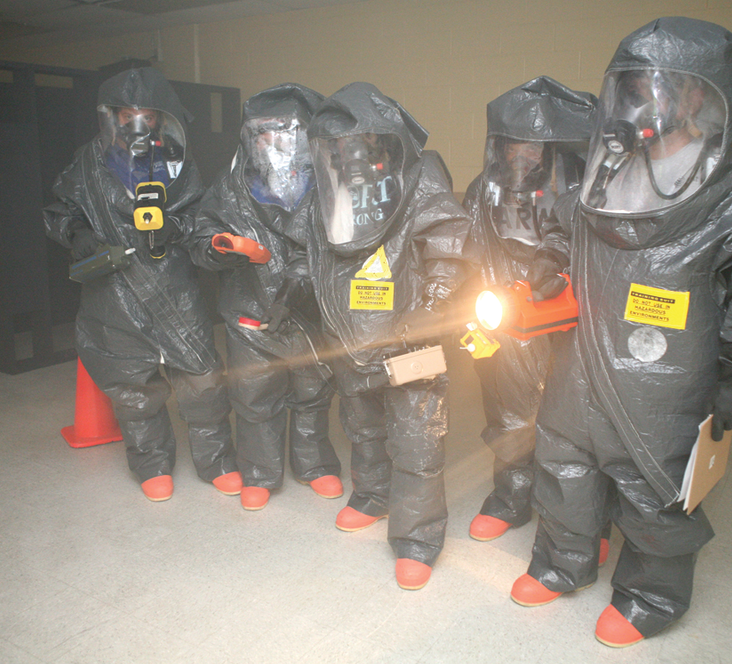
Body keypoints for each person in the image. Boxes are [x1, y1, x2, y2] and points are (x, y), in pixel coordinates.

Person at [509, 18, 732, 647]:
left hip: (669, 370)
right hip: (585, 354)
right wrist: (545, 265)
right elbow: (567, 226)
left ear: (702, 96)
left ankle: (652, 594)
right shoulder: (609, 167)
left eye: (655, 88)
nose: (637, 104)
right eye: (630, 88)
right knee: (563, 454)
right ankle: (565, 559)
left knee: (653, 480)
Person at [302, 82, 477, 590]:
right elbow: (315, 251)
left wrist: (431, 307)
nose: (346, 154)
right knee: (363, 426)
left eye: (356, 143)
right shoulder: (327, 185)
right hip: (352, 334)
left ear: (382, 141)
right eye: (335, 147)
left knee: (416, 437)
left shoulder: (420, 175)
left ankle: (417, 539)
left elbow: (447, 238)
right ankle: (374, 496)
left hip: (409, 333)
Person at [44, 67, 240, 501]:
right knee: (133, 385)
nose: (137, 124)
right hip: (113, 289)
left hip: (172, 282)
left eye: (147, 115)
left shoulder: (176, 161)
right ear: (110, 116)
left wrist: (174, 227)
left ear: (161, 118)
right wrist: (77, 234)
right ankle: (151, 463)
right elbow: (61, 210)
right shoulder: (88, 162)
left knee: (202, 375)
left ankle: (217, 462)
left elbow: (200, 215)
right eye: (128, 114)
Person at [189, 83, 342, 512]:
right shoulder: (231, 185)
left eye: (282, 132)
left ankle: (313, 465)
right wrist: (221, 245)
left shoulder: (331, 182)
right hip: (249, 311)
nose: (270, 142)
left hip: (311, 310)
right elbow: (201, 235)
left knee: (313, 390)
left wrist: (302, 278)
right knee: (255, 393)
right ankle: (259, 471)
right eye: (261, 132)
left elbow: (343, 242)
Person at [461, 76, 598, 543]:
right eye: (513, 144)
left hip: (574, 309)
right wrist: (472, 311)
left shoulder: (585, 182)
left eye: (534, 146)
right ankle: (512, 497)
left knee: (578, 420)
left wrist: (555, 266)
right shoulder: (485, 189)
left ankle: (586, 518)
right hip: (508, 307)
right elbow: (472, 251)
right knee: (510, 410)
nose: (522, 156)